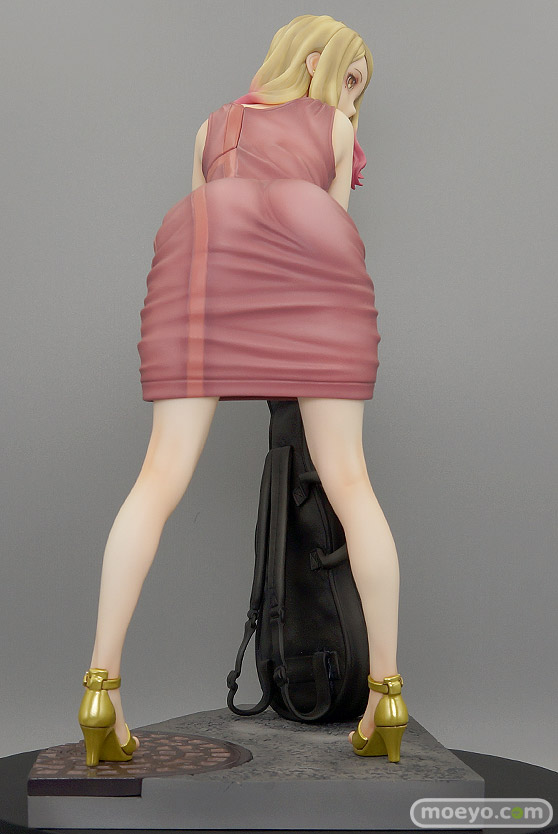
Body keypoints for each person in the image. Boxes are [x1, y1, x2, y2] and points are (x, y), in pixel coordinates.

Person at [78, 13, 408, 768]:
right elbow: (333, 234)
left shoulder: (212, 127)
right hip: (315, 291)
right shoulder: (334, 128)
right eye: (351, 74)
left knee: (156, 479)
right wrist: (344, 113)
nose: (351, 92)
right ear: (320, 61)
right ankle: (386, 697)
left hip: (203, 283)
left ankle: (100, 689)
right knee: (353, 485)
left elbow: (206, 225)